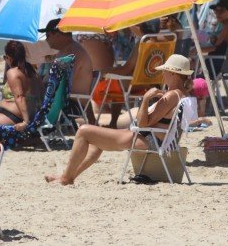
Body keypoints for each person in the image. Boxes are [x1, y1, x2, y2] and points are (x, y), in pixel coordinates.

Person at [44, 54, 193, 185]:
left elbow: (143, 123)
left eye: (165, 72)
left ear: (173, 74)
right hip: (153, 138)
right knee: (97, 142)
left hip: (148, 139)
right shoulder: (180, 94)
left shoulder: (170, 96)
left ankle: (65, 179)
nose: (163, 75)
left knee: (83, 132)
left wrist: (146, 98)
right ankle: (68, 176)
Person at [40, 18, 93, 97]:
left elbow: (63, 82)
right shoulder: (64, 51)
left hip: (72, 103)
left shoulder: (74, 52)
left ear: (58, 35)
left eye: (48, 35)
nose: (46, 39)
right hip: (62, 100)